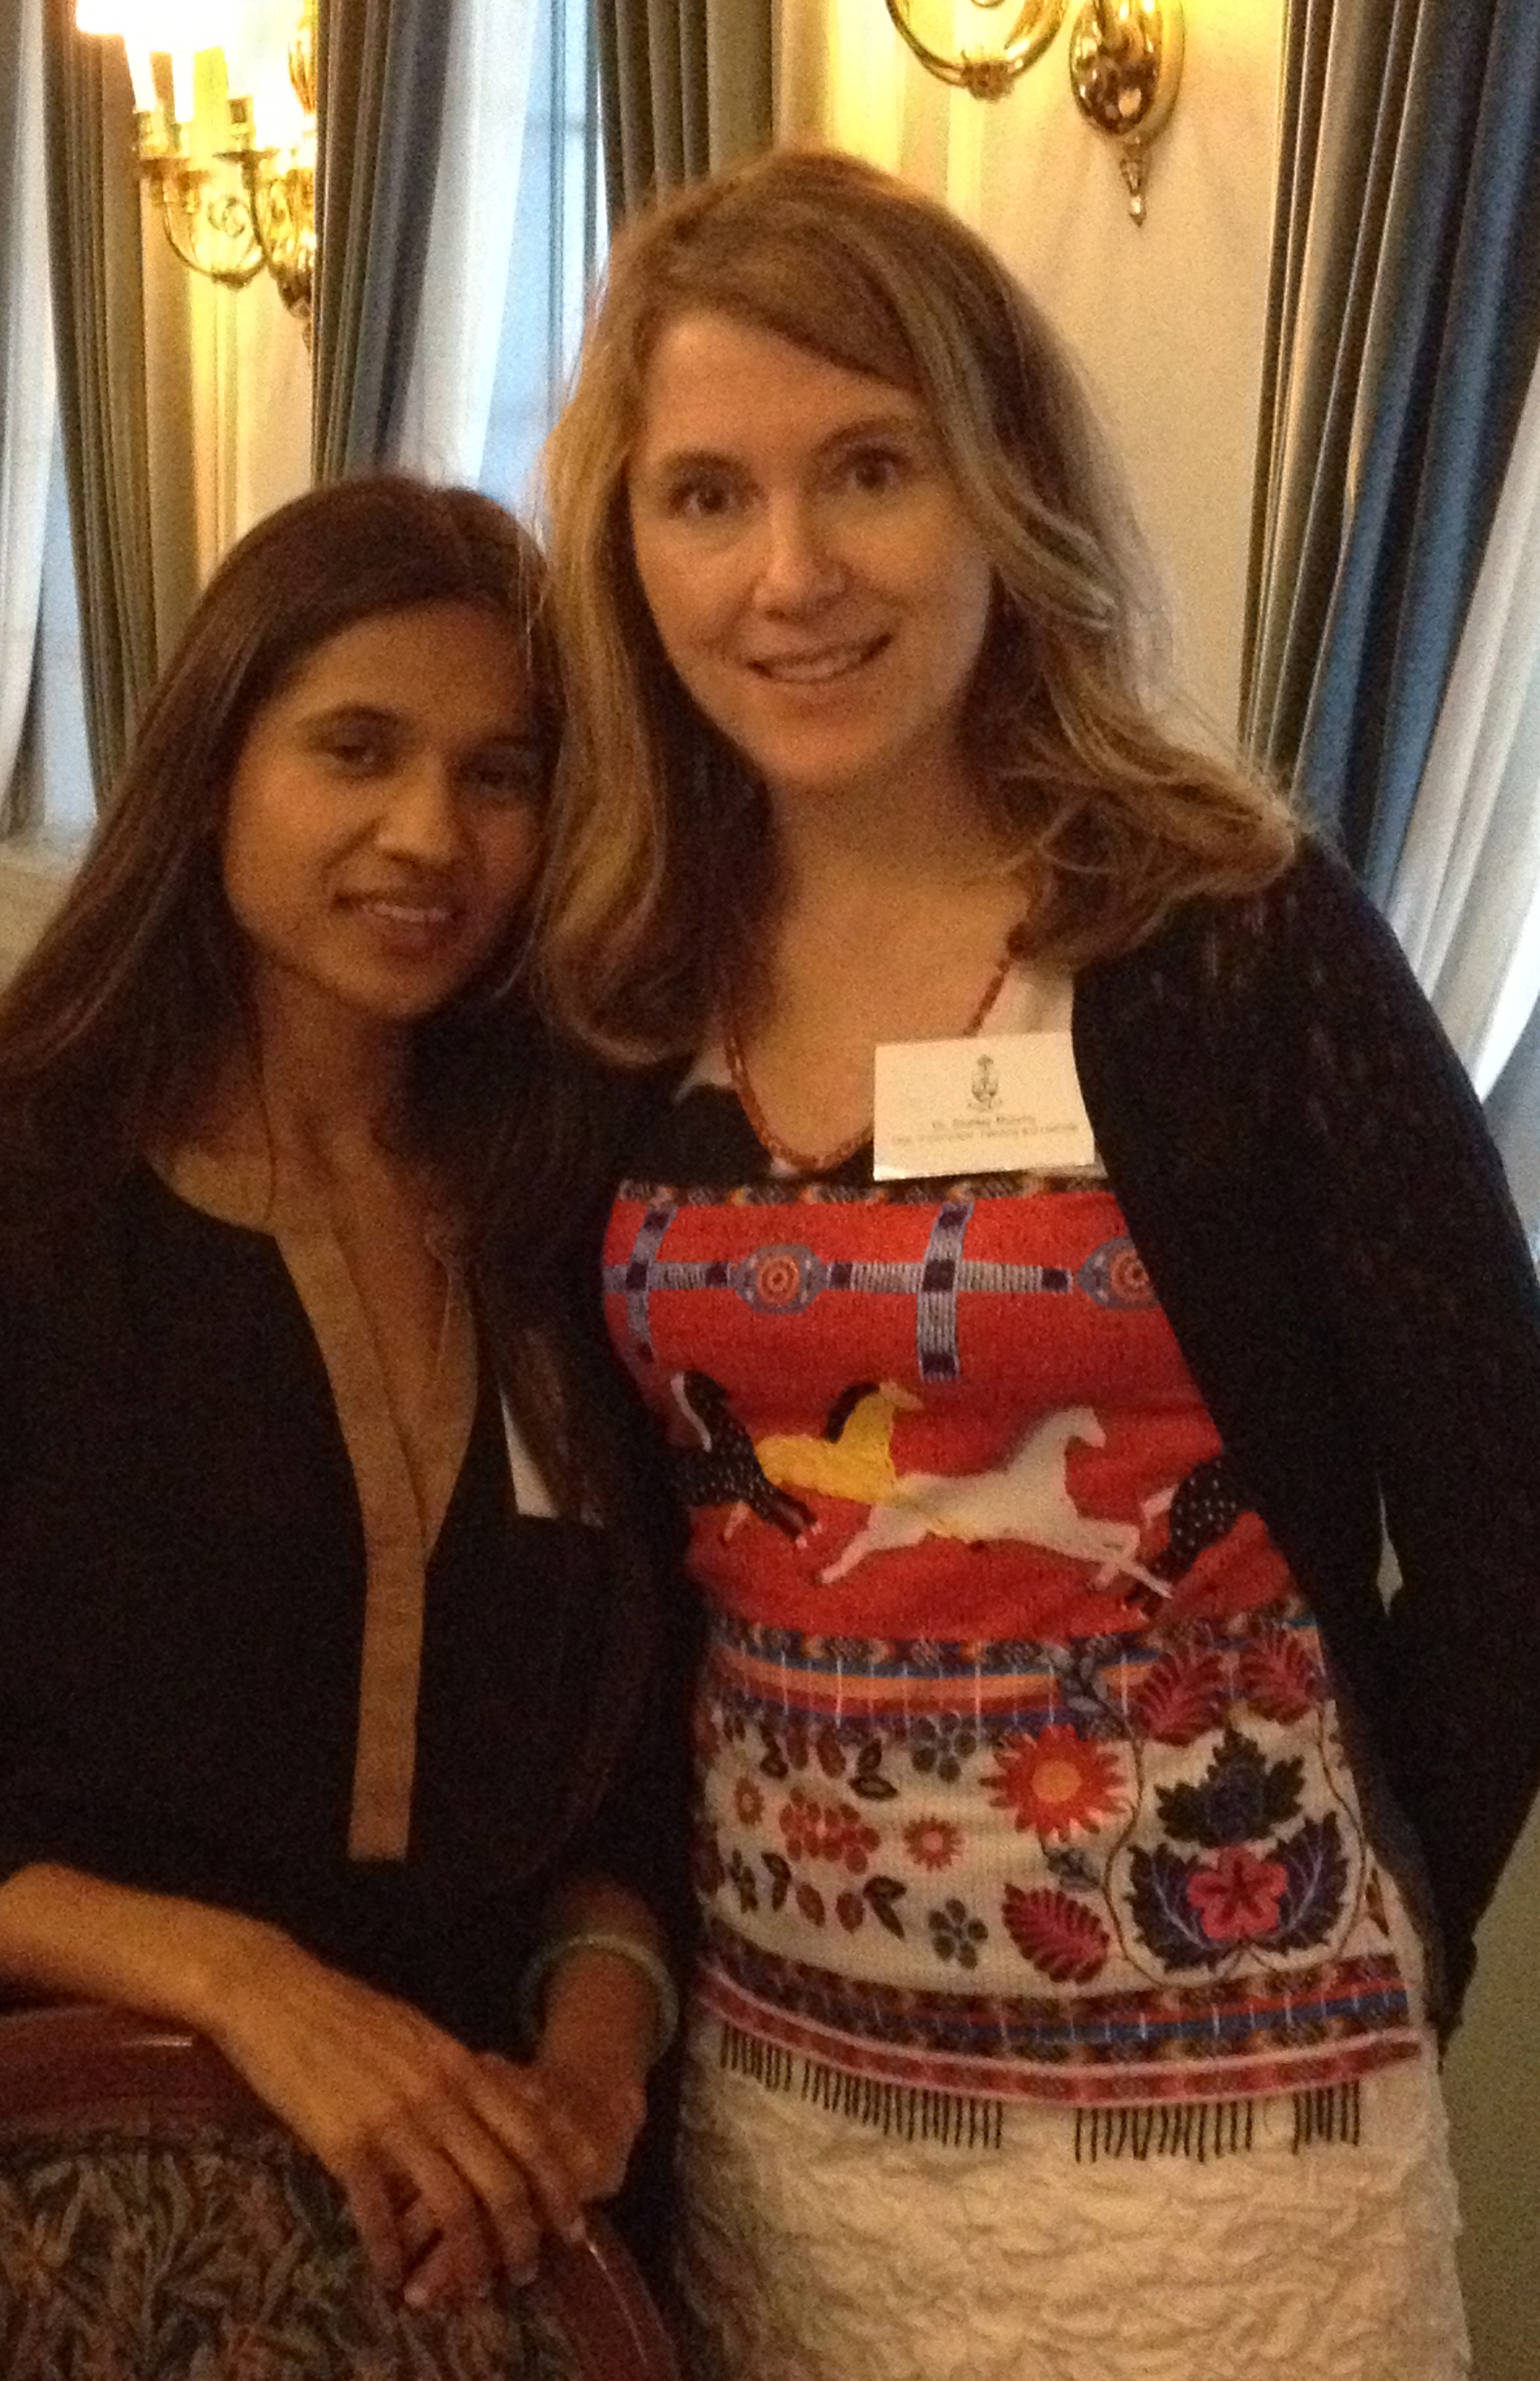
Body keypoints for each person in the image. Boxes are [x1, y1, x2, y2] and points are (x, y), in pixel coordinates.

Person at [533, 147, 1540, 2381]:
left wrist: (1390, 1922)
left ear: (1005, 490)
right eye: (706, 496)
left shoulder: (1233, 941)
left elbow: (1506, 1514)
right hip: (792, 2125)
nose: (789, 573)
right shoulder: (620, 983)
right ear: (626, 547)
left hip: (1239, 2156)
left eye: (868, 469)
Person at [0, 476, 686, 2312]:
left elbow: (632, 1770)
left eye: (500, 775)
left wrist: (598, 2064)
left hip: (471, 2207)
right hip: (16, 2190)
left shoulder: (566, 1220)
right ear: (213, 771)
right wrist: (241, 1981)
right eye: (357, 749)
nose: (429, 835)